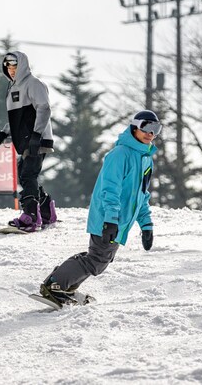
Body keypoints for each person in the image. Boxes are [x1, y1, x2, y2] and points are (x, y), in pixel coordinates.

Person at [38, 110, 159, 306]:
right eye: (146, 127)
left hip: (120, 221)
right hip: (108, 217)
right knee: (98, 259)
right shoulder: (120, 154)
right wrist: (110, 219)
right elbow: (110, 189)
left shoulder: (146, 159)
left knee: (102, 259)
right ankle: (56, 283)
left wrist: (146, 225)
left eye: (156, 129)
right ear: (135, 126)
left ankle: (64, 285)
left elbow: (141, 195)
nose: (150, 133)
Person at [0, 51, 57, 232]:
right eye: (8, 67)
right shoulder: (12, 89)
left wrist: (36, 135)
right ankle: (46, 211)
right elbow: (16, 119)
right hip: (25, 138)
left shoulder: (34, 84)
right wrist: (2, 135)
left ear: (23, 66)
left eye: (14, 66)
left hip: (37, 138)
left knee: (28, 174)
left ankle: (31, 217)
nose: (11, 70)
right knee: (24, 174)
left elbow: (44, 109)